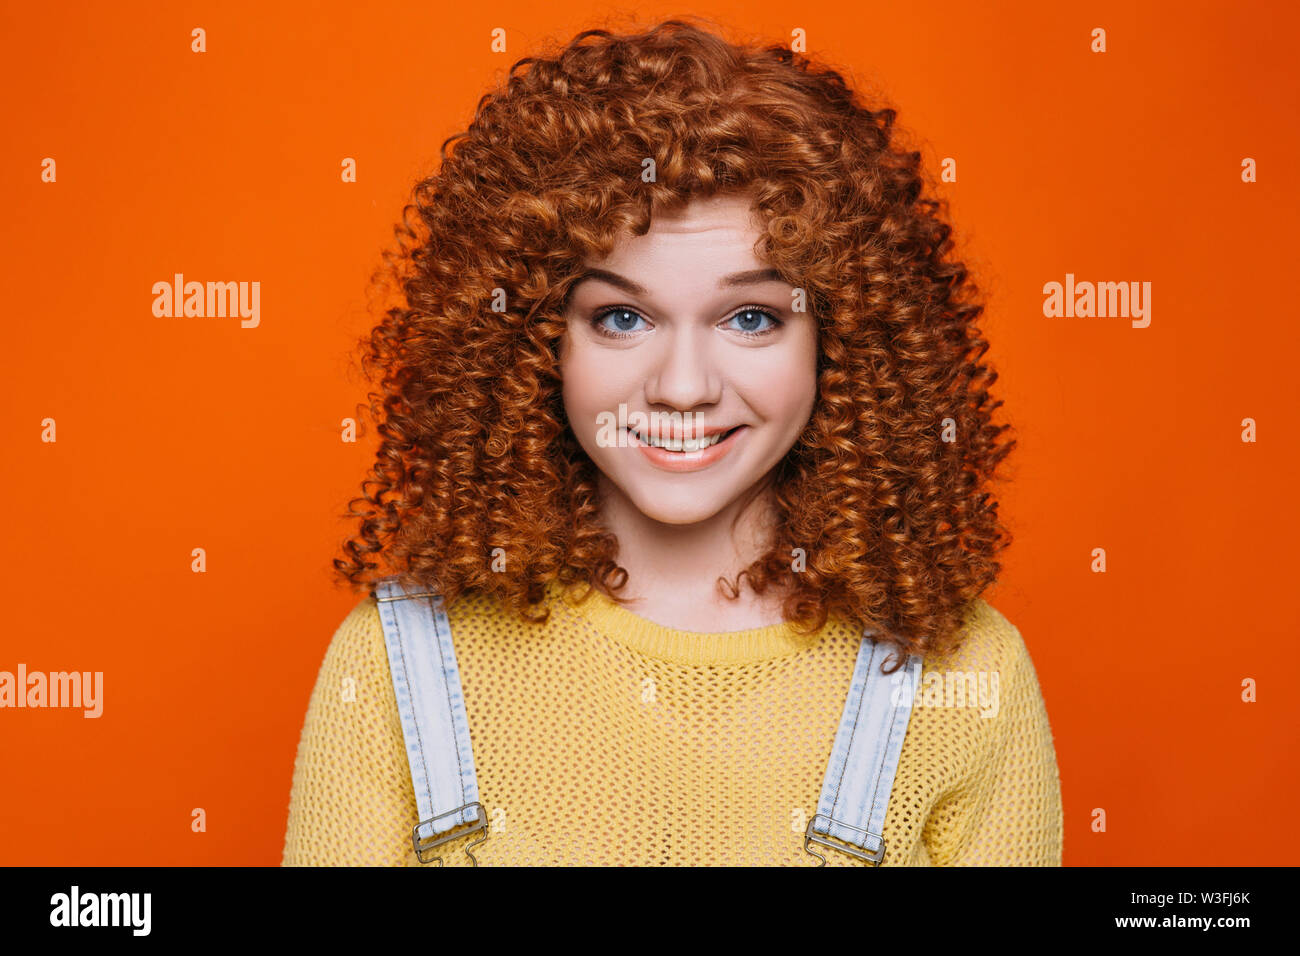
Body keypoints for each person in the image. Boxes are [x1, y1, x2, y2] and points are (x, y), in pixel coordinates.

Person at [281, 17, 1063, 866]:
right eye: (622, 317)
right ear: (537, 340)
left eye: (752, 317)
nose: (683, 386)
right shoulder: (400, 670)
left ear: (840, 344)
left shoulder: (964, 679)